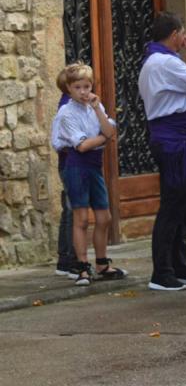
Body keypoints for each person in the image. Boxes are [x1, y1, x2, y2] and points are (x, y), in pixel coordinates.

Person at [138, 11, 186, 292]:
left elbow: (171, 101)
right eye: (183, 34)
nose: (185, 39)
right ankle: (162, 271)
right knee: (173, 204)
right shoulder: (164, 62)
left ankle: (181, 266)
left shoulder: (162, 62)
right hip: (172, 144)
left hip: (182, 139)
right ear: (175, 35)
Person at [54, 63, 127, 286]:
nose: (84, 92)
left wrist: (97, 110)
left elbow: (110, 129)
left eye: (87, 86)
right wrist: (105, 138)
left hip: (94, 166)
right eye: (78, 87)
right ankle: (82, 266)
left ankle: (102, 263)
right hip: (76, 167)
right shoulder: (66, 113)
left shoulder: (95, 107)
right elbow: (82, 145)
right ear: (68, 89)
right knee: (81, 218)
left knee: (104, 217)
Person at [52, 87, 78, 278]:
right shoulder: (67, 107)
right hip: (71, 165)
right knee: (72, 211)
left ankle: (65, 259)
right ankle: (69, 259)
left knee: (70, 210)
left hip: (73, 164)